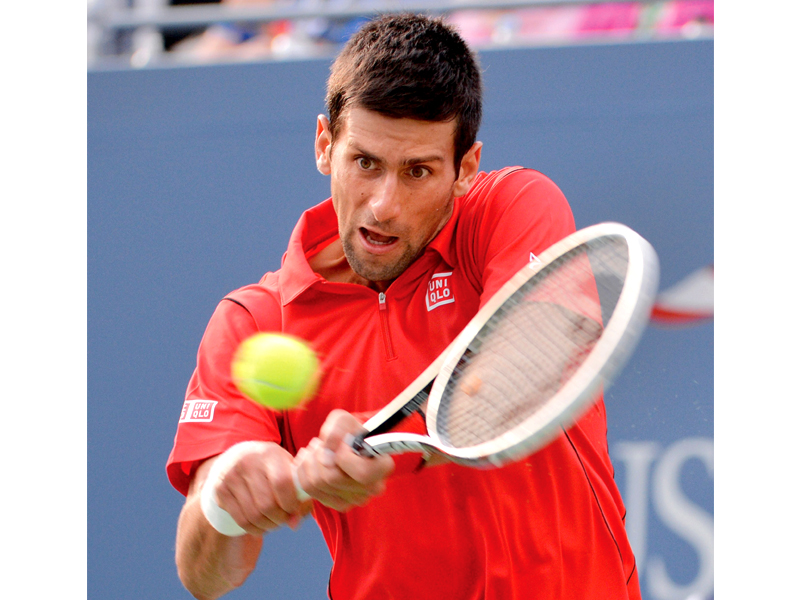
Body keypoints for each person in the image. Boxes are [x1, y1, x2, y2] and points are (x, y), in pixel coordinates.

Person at [167, 13, 641, 600]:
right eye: (364, 162)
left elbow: (527, 371)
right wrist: (224, 500)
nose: (384, 205)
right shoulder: (251, 321)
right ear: (325, 145)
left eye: (418, 171)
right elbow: (203, 577)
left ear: (465, 168)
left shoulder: (513, 208)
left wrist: (382, 448)